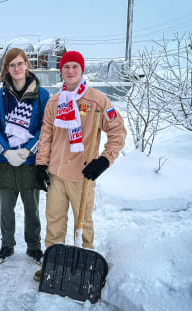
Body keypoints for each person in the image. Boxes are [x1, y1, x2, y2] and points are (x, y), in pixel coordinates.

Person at [34, 51, 126, 280]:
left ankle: (85, 265)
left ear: (81, 70)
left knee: (83, 223)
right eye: (66, 67)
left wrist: (105, 159)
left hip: (82, 175)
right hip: (56, 174)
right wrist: (40, 165)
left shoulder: (97, 100)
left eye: (75, 67)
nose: (70, 71)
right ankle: (52, 263)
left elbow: (117, 131)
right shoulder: (54, 102)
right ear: (61, 71)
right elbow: (46, 136)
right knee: (54, 222)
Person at [0, 48, 50, 265]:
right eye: (12, 65)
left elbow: (46, 127)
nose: (17, 68)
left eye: (20, 63)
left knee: (32, 207)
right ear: (7, 68)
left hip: (31, 161)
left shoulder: (42, 95)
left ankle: (34, 246)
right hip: (6, 161)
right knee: (6, 207)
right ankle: (7, 245)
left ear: (27, 65)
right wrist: (6, 151)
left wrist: (29, 150)